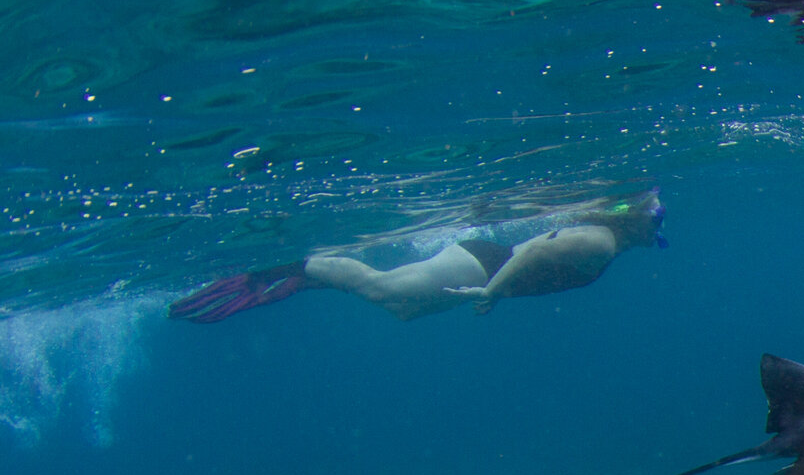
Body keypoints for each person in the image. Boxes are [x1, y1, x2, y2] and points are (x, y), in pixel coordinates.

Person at [168, 191, 666, 323]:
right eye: (655, 216)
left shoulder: (608, 238)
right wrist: (492, 291)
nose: (658, 221)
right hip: (484, 267)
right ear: (631, 219)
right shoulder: (601, 240)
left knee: (401, 310)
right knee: (383, 288)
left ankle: (315, 278)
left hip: (488, 268)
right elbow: (537, 248)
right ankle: (292, 267)